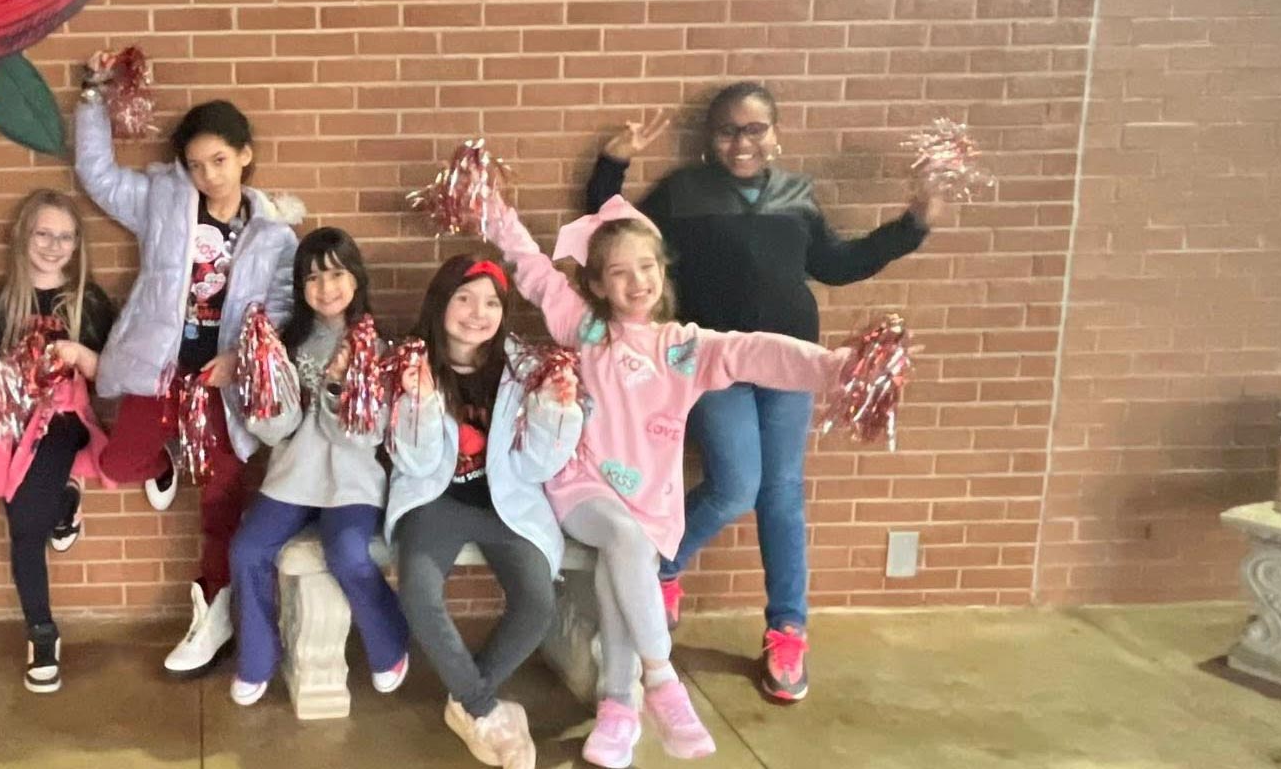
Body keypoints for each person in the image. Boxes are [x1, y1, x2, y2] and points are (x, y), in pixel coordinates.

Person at [585, 82, 944, 702]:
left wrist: (912, 226)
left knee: (781, 495)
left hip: (790, 366)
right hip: (712, 365)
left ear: (775, 134)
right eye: (727, 130)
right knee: (733, 486)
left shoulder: (798, 196)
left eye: (754, 130)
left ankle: (787, 629)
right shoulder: (682, 194)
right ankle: (665, 564)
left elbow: (836, 265)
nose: (741, 142)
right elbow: (615, 233)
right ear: (709, 140)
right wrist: (612, 163)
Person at [486, 192, 849, 764]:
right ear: (599, 284)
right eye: (619, 273)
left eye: (647, 268)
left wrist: (838, 368)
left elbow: (758, 353)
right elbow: (530, 266)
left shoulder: (685, 348)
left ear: (662, 271)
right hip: (582, 488)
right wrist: (491, 205)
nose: (637, 283)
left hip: (651, 501)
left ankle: (617, 712)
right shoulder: (584, 329)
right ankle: (661, 681)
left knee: (620, 573)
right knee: (625, 544)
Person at [72, 91, 299, 678]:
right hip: (158, 373)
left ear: (245, 156)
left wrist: (236, 359)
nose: (208, 175)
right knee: (122, 463)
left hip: (219, 387)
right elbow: (96, 175)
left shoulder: (273, 235)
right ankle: (166, 460)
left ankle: (212, 614)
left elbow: (278, 309)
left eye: (220, 160)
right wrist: (94, 99)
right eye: (196, 165)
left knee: (222, 505)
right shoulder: (164, 203)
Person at [386, 256, 583, 769]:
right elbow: (417, 461)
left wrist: (556, 412)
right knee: (419, 593)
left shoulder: (523, 368)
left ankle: (467, 699)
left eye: (492, 302)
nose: (478, 313)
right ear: (441, 302)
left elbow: (538, 464)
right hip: (435, 498)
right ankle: (483, 707)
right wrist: (421, 402)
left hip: (506, 500)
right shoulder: (410, 362)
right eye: (465, 298)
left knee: (538, 602)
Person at [225, 227, 409, 706]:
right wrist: (265, 395)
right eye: (312, 278)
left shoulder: (376, 350)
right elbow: (275, 431)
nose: (325, 288)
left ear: (356, 278)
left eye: (335, 274)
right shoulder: (287, 344)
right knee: (247, 550)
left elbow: (362, 435)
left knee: (348, 553)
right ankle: (258, 660)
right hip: (291, 479)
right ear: (300, 289)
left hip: (351, 484)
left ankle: (390, 641)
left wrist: (334, 387)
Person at [0, 189, 117, 693]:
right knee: (22, 527)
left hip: (63, 419)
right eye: (44, 233)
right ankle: (41, 630)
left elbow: (114, 375)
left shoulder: (88, 302)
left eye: (65, 237)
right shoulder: (4, 300)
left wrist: (77, 354)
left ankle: (58, 504)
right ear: (23, 237)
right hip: (13, 425)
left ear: (77, 245)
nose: (54, 245)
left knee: (26, 517)